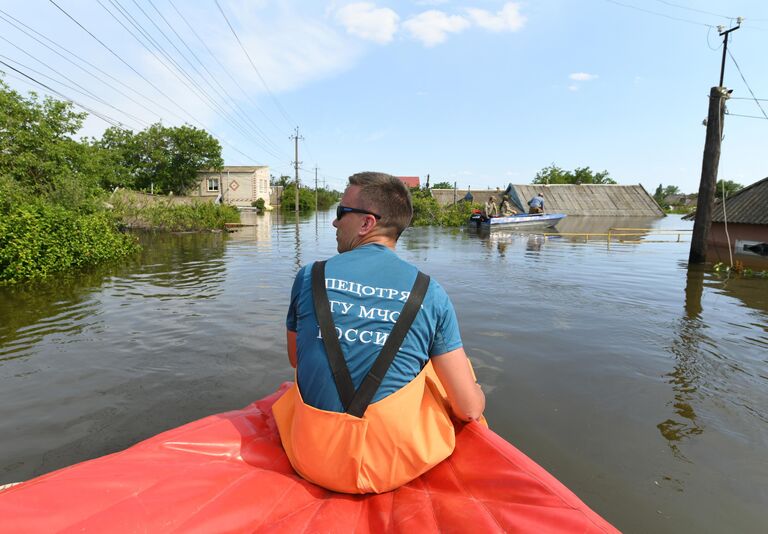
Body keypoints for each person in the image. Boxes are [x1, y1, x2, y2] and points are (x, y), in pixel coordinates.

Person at [274, 172, 485, 495]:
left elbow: (296, 358)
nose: (334, 223)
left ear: (366, 224)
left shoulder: (309, 277)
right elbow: (469, 411)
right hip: (390, 468)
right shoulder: (429, 292)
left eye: (341, 213)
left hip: (310, 456)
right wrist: (478, 393)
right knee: (443, 367)